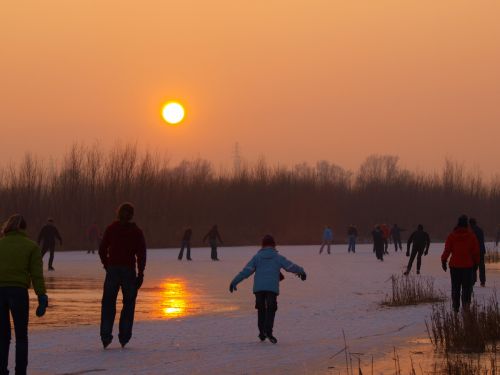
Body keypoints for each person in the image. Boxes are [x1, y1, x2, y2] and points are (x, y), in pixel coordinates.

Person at [229, 235, 306, 344]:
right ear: (274, 244)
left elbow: (246, 271)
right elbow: (290, 266)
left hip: (259, 289)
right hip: (271, 288)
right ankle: (268, 331)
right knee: (271, 308)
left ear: (263, 245)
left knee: (261, 309)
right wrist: (301, 271)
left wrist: (234, 281)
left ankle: (262, 333)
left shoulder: (257, 257)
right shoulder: (277, 257)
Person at [0, 214, 48, 375]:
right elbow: (36, 275)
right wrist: (41, 296)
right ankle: (20, 372)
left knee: (2, 336)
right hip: (18, 293)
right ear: (24, 228)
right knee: (21, 336)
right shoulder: (31, 247)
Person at [99, 202, 147, 349]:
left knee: (108, 304)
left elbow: (102, 249)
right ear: (131, 215)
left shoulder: (111, 229)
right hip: (128, 271)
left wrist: (107, 265)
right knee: (129, 304)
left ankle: (106, 336)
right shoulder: (137, 232)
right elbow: (141, 254)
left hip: (113, 270)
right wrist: (140, 273)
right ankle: (124, 337)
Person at [441, 215, 480, 313]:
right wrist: (476, 264)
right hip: (467, 266)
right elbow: (476, 252)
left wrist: (443, 261)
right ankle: (466, 307)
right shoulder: (471, 236)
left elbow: (447, 250)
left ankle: (455, 307)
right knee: (466, 288)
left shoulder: (452, 236)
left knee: (455, 287)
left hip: (454, 266)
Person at [469, 218, 486, 287]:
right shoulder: (480, 230)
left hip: (474, 251)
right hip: (481, 250)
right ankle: (482, 282)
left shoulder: (470, 231)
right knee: (481, 266)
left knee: (473, 266)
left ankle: (473, 280)